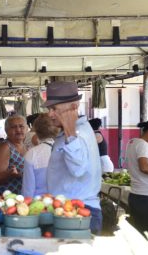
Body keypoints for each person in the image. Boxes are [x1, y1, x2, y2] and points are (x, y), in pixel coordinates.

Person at [44, 81, 102, 234]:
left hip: (78, 211)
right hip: (70, 210)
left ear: (73, 107)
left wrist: (70, 129)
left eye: (54, 109)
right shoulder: (77, 130)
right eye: (49, 109)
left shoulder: (77, 134)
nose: (50, 114)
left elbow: (78, 169)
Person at [125, 118, 148, 235]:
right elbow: (145, 167)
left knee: (142, 233)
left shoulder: (133, 142)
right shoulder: (144, 146)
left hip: (138, 196)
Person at [21, 113, 59, 197]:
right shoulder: (64, 149)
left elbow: (28, 189)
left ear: (36, 132)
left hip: (39, 204)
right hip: (61, 203)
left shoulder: (32, 154)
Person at [0, 115, 26, 193]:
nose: (18, 130)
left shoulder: (26, 146)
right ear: (6, 130)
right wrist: (10, 174)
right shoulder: (5, 147)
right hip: (8, 198)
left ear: (26, 128)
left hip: (23, 197)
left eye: (21, 126)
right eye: (13, 127)